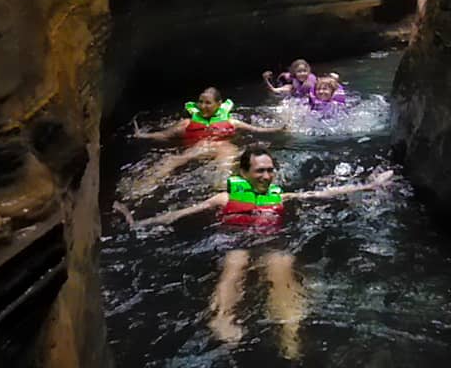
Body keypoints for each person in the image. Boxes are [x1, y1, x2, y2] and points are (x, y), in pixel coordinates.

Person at [135, 147, 395, 358]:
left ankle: (289, 332)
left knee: (281, 267)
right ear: (244, 172)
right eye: (260, 171)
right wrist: (139, 223)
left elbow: (321, 194)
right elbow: (178, 214)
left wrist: (369, 187)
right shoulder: (224, 199)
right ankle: (223, 319)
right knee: (235, 265)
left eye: (270, 170)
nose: (267, 176)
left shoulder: (280, 197)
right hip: (235, 242)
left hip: (271, 243)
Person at [128, 87, 283, 196]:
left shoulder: (232, 122)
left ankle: (220, 191)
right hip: (199, 148)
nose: (203, 106)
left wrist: (279, 129)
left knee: (225, 163)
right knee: (172, 160)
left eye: (208, 103)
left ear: (219, 104)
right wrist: (143, 135)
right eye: (200, 102)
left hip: (223, 148)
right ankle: (142, 187)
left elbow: (258, 130)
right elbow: (165, 135)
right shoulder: (187, 124)